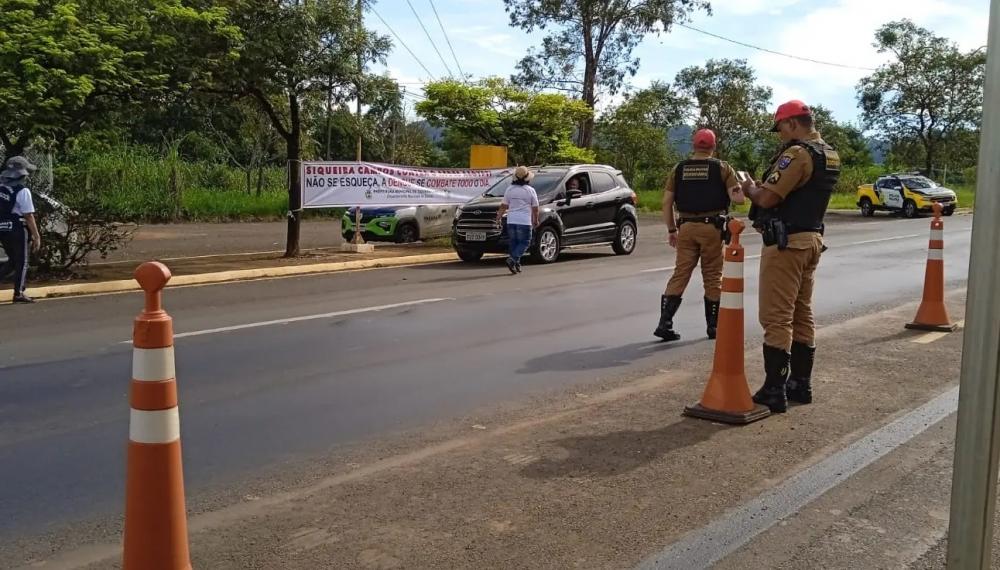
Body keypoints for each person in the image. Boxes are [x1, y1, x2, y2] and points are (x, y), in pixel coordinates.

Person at [740, 100, 840, 413]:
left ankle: (774, 389)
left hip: (787, 244)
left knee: (776, 317)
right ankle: (800, 383)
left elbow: (769, 196)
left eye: (781, 128)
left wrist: (749, 190)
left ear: (793, 124)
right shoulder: (830, 154)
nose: (780, 135)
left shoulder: (797, 154)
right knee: (801, 312)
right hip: (811, 239)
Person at [654, 129, 745, 342]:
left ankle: (664, 323)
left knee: (680, 273)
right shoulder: (722, 168)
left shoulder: (679, 169)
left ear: (693, 146)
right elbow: (739, 199)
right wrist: (745, 186)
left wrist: (671, 230)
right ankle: (713, 327)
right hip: (711, 227)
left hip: (685, 227)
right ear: (713, 147)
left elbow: (666, 203)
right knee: (713, 276)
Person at [0, 156, 42, 304]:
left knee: (12, 260)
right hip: (18, 227)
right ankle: (19, 293)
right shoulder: (22, 191)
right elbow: (28, 215)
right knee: (22, 262)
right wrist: (36, 236)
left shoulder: (1, 187)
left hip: (2, 227)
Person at [496, 165, 539, 274]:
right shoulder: (530, 190)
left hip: (511, 220)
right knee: (525, 242)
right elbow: (535, 208)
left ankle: (516, 264)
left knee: (514, 243)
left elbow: (503, 206)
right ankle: (513, 259)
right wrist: (535, 220)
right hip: (524, 221)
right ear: (527, 178)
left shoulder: (510, 189)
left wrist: (498, 218)